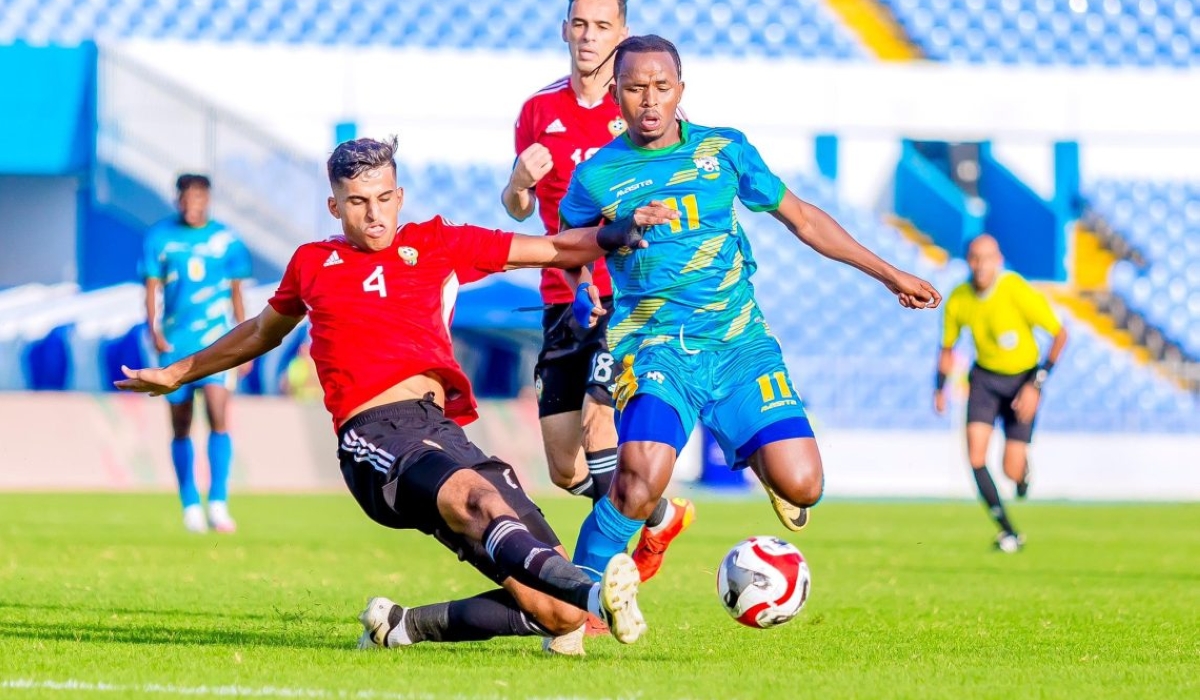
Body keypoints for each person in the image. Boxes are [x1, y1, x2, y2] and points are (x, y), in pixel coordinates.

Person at [118, 137, 677, 654]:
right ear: (335, 206)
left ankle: (401, 626)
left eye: (384, 198)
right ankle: (591, 589)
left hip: (442, 431)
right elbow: (262, 332)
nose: (375, 213)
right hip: (374, 436)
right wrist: (176, 373)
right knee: (475, 501)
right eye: (358, 201)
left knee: (554, 614)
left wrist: (614, 234)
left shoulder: (436, 243)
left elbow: (552, 248)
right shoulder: (313, 263)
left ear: (400, 195)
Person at [557, 35, 942, 581]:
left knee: (805, 484)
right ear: (615, 94)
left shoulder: (725, 150)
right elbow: (569, 244)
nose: (649, 100)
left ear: (680, 91)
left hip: (739, 343)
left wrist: (890, 275)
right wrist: (581, 286)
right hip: (654, 348)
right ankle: (576, 608)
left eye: (662, 87)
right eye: (636, 88)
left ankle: (764, 464)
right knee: (639, 482)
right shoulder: (597, 175)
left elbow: (804, 219)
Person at [500, 0, 693, 585]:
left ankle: (603, 583)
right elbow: (518, 208)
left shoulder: (641, 102)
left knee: (599, 427)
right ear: (565, 30)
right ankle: (658, 513)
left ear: (622, 33)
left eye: (602, 25)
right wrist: (517, 183)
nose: (588, 36)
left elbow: (681, 181)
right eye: (579, 24)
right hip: (563, 294)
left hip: (628, 298)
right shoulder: (538, 109)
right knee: (563, 466)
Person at [934, 234, 1068, 553]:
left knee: (1010, 468)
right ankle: (1008, 530)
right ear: (968, 261)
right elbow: (947, 348)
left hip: (1023, 380)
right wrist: (939, 388)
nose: (981, 265)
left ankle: (1022, 475)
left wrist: (1036, 384)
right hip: (984, 379)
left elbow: (1060, 334)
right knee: (976, 456)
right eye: (975, 258)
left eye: (987, 257)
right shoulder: (959, 298)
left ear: (999, 260)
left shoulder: (1015, 289)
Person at [141, 174, 251, 534]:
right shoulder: (159, 238)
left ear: (208, 199)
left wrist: (245, 342)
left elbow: (237, 293)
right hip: (176, 345)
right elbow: (151, 289)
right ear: (178, 200)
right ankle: (190, 504)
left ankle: (218, 503)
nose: (193, 203)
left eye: (199, 197)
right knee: (181, 424)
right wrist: (154, 330)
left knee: (219, 414)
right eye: (187, 197)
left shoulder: (226, 240)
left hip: (217, 343)